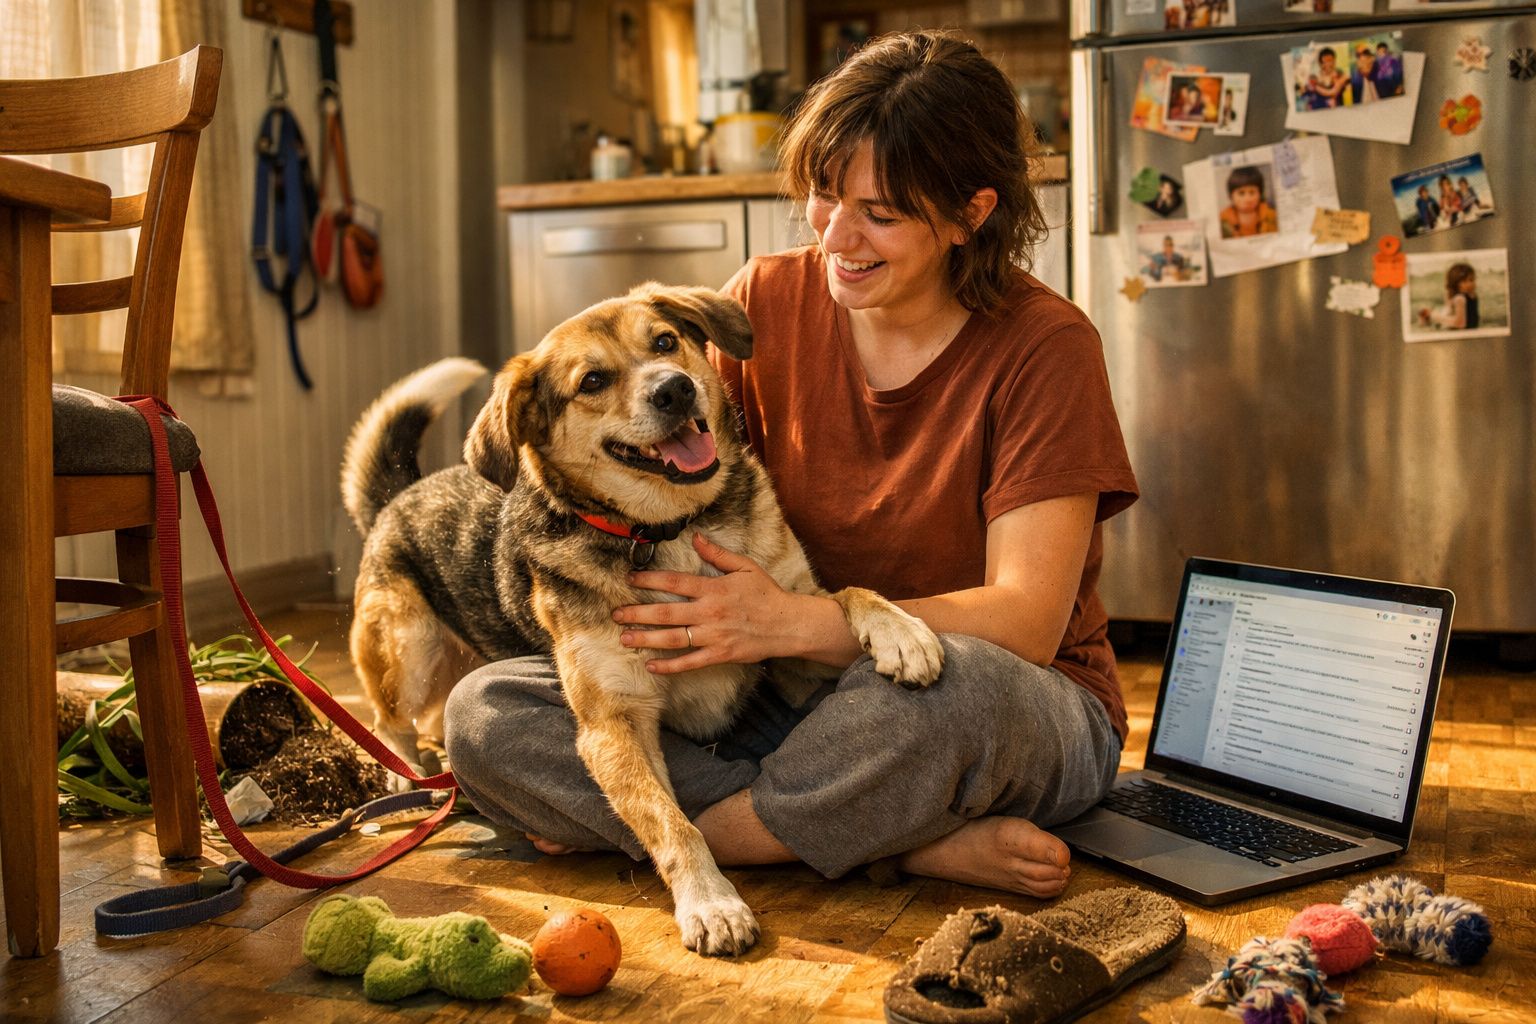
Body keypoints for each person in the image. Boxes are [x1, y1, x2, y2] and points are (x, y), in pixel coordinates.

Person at [443, 29, 1137, 901]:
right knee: (486, 712)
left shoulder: (1047, 347)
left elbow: (1027, 622)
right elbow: (661, 478)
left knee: (952, 691)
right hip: (785, 695)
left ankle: (732, 834)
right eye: (822, 196)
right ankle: (898, 839)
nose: (837, 236)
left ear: (972, 214)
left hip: (999, 699)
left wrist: (789, 625)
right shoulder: (764, 300)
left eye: (879, 213)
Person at [1219, 165, 1279, 238]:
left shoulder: (1271, 215)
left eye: (1252, 192)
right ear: (1231, 196)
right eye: (1241, 193)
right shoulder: (1223, 220)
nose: (1248, 199)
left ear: (1260, 194)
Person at [1419, 263, 1478, 331]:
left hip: (1462, 331)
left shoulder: (1460, 298)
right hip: (1468, 329)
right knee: (1438, 312)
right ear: (1456, 283)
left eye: (1472, 280)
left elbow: (1460, 324)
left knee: (1435, 315)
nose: (1471, 284)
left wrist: (1434, 316)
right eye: (1465, 281)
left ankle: (1428, 318)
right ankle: (1427, 318)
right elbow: (1449, 309)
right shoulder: (1468, 296)